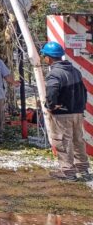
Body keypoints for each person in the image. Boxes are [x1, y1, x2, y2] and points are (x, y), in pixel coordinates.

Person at [41, 41, 90, 182]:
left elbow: (51, 92)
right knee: (78, 140)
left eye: (44, 56)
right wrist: (80, 108)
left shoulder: (54, 73)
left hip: (62, 114)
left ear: (48, 58)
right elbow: (83, 91)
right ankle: (83, 169)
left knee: (62, 141)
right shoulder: (75, 71)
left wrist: (51, 105)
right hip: (77, 112)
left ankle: (68, 172)